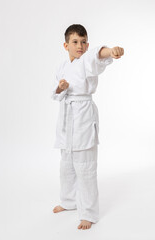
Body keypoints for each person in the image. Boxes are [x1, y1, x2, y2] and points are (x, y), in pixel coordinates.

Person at [51, 24, 124, 230]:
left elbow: (98, 55)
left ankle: (89, 214)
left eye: (83, 42)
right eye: (75, 42)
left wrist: (111, 51)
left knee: (85, 167)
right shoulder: (62, 66)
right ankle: (69, 201)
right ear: (66, 45)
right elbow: (54, 93)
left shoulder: (87, 60)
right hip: (66, 118)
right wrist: (61, 87)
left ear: (88, 44)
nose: (80, 46)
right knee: (66, 165)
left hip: (83, 114)